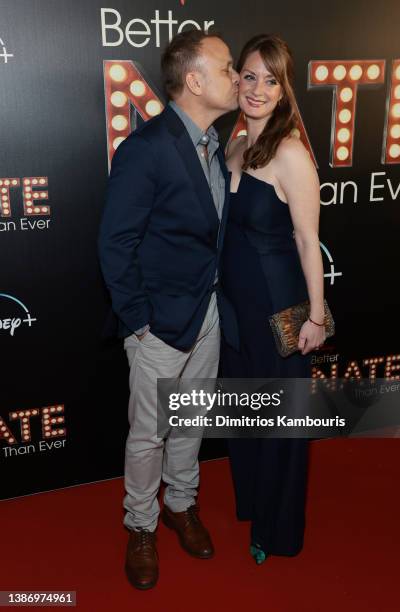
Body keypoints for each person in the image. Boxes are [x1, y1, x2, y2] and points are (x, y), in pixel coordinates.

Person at [98, 30, 239, 589]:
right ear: (195, 80)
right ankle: (141, 525)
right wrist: (139, 322)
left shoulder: (215, 146)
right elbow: (115, 243)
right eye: (228, 68)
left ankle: (182, 504)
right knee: (150, 432)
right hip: (160, 322)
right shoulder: (148, 148)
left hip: (208, 313)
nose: (236, 78)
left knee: (191, 421)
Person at [220, 34, 326, 563]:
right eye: (250, 76)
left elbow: (308, 242)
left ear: (285, 91)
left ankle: (276, 530)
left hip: (277, 310)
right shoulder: (233, 146)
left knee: (280, 424)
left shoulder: (291, 154)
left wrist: (319, 316)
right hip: (233, 310)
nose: (258, 89)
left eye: (271, 80)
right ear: (235, 78)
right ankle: (252, 505)